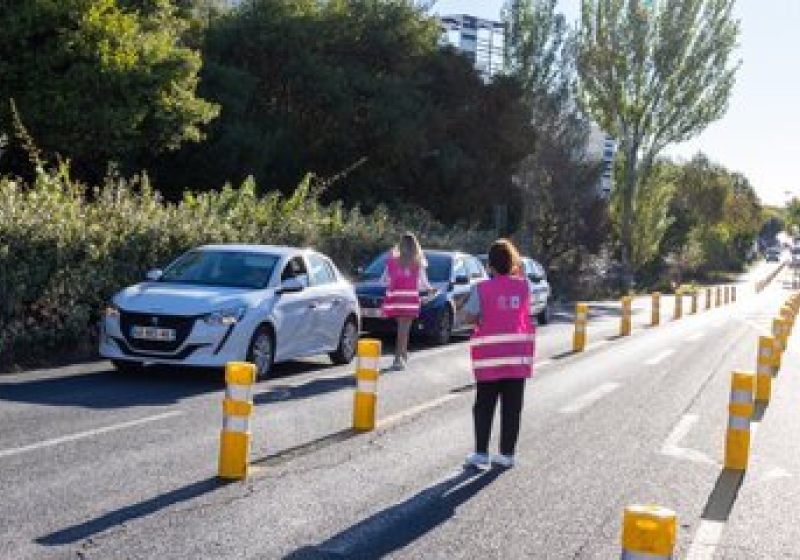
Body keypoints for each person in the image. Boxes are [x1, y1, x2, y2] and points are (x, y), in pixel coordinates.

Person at [463, 239, 534, 469]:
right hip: (517, 358)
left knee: (484, 406)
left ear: (490, 265)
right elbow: (526, 311)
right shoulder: (524, 286)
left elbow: (470, 316)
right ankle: (506, 454)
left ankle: (481, 453)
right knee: (512, 408)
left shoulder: (481, 289)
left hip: (489, 361)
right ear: (513, 262)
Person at [380, 232, 434, 370]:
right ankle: (398, 358)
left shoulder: (393, 260)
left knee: (402, 328)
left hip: (396, 298)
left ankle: (402, 354)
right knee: (404, 329)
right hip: (410, 299)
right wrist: (430, 289)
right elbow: (423, 282)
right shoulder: (418, 261)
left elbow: (384, 280)